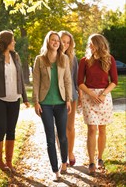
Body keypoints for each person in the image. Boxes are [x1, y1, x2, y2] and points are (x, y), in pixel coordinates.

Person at [0, 30, 30, 172]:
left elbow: (21, 78)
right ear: (6, 42)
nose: (14, 42)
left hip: (14, 99)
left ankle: (9, 162)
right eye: (13, 40)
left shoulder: (15, 56)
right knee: (1, 130)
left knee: (11, 130)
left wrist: (25, 98)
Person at [32, 31, 72, 181]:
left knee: (62, 136)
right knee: (50, 138)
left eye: (57, 40)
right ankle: (55, 171)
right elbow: (36, 82)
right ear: (48, 42)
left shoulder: (64, 58)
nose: (56, 42)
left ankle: (63, 163)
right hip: (45, 104)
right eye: (53, 40)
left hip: (61, 103)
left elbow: (67, 80)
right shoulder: (40, 59)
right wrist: (36, 102)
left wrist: (68, 99)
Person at [78, 33, 118, 174]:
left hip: (104, 97)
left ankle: (100, 158)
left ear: (99, 44)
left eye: (92, 43)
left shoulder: (109, 59)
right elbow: (80, 82)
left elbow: (114, 81)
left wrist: (103, 94)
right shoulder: (84, 60)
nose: (90, 45)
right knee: (92, 129)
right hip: (89, 97)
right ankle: (91, 162)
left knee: (102, 129)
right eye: (89, 43)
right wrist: (92, 94)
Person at [58, 30, 79, 166]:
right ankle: (63, 157)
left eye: (68, 42)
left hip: (71, 96)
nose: (65, 45)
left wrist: (79, 96)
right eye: (63, 41)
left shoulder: (73, 58)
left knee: (70, 127)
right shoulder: (52, 56)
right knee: (59, 129)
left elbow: (76, 79)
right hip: (57, 97)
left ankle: (70, 152)